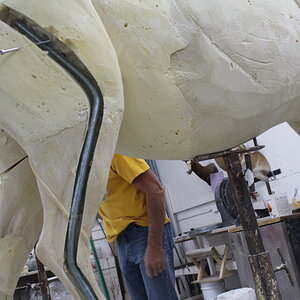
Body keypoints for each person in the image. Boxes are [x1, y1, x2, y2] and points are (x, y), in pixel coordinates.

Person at [99, 153, 178, 300]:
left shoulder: (114, 153)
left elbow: (156, 190)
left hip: (145, 231)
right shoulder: (82, 166)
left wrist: (154, 246)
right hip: (121, 238)